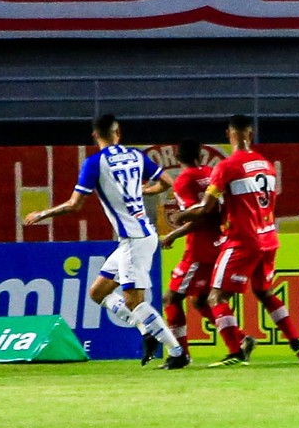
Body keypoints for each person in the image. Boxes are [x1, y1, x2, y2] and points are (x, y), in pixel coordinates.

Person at [23, 114, 188, 369]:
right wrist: (143, 190)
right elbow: (166, 183)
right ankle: (147, 331)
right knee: (97, 292)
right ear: (118, 132)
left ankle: (177, 352)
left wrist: (43, 213)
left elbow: (74, 205)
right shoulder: (135, 155)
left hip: (135, 239)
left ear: (94, 135)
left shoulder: (94, 163)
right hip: (135, 237)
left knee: (133, 300)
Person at [173, 114, 299, 367]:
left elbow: (206, 208)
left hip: (242, 240)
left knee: (216, 297)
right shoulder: (267, 165)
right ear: (251, 134)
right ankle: (298, 345)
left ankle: (236, 352)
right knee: (265, 292)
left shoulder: (226, 167)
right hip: (269, 237)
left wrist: (180, 215)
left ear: (230, 134)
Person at [159, 139, 221, 361]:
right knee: (201, 301)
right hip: (218, 244)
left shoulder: (184, 179)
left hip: (198, 249)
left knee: (171, 298)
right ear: (200, 155)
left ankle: (182, 353)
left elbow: (198, 216)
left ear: (177, 158)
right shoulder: (211, 173)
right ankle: (240, 339)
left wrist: (173, 233)